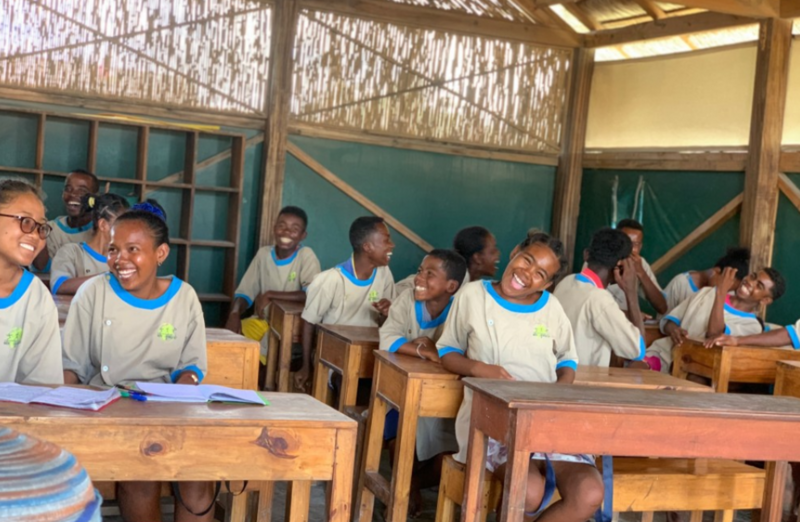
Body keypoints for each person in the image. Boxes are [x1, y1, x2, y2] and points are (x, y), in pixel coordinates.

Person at [61, 202, 214, 522]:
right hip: (107, 406)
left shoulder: (183, 296)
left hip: (169, 406)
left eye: (133, 249)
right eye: (114, 249)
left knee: (199, 470)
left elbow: (193, 366)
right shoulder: (92, 293)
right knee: (139, 472)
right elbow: (71, 365)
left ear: (161, 254)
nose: (120, 260)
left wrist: (181, 396)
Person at [438, 233, 602, 520]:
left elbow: (568, 359)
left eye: (540, 273)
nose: (527, 275)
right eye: (527, 260)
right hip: (492, 421)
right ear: (515, 252)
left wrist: (559, 391)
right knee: (530, 490)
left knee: (589, 492)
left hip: (545, 417)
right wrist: (480, 369)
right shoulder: (473, 295)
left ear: (548, 283)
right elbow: (447, 351)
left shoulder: (550, 307)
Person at [379, 249, 466, 516]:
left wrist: (437, 348)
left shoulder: (461, 309)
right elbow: (387, 337)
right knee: (400, 428)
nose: (420, 278)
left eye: (430, 274)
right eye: (420, 271)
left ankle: (411, 483)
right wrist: (425, 352)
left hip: (446, 394)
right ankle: (405, 487)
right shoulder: (407, 299)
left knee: (454, 452)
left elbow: (465, 349)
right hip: (405, 389)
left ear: (451, 286)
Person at [295, 216, 396, 391]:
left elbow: (386, 325)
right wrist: (306, 365)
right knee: (348, 382)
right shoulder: (329, 280)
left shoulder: (384, 274)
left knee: (389, 386)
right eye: (386, 240)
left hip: (370, 355)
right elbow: (309, 322)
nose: (392, 245)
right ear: (367, 247)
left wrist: (386, 313)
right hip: (334, 357)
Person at [225, 206, 321, 365]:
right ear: (274, 228)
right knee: (231, 339)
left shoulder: (306, 256)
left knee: (257, 360)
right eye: (282, 226)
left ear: (303, 235)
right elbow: (245, 292)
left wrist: (270, 294)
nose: (286, 232)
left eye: (294, 229)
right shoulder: (264, 254)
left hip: (290, 329)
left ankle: (259, 386)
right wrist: (234, 314)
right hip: (263, 322)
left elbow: (311, 294)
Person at [644, 267, 785, 373]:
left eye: (759, 286)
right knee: (637, 372)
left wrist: (721, 292)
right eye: (753, 276)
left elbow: (714, 334)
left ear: (765, 300)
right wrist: (674, 330)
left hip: (695, 369)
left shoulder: (752, 326)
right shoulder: (706, 293)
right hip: (665, 353)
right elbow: (670, 321)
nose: (750, 282)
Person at [554, 228, 646, 367]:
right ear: (621, 266)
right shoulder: (600, 299)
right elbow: (637, 350)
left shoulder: (566, 282)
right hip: (583, 383)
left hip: (557, 376)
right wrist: (631, 292)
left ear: (586, 255)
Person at [0, 179, 62, 384]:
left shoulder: (37, 297)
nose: (36, 235)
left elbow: (42, 385)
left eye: (41, 227)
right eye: (25, 221)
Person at [50, 192, 130, 295]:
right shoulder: (71, 253)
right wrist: (108, 279)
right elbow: (60, 286)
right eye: (123, 226)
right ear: (103, 225)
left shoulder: (124, 259)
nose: (129, 232)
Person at [33, 169, 100, 271]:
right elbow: (44, 269)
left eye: (82, 191)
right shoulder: (50, 229)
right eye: (68, 189)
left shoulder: (102, 230)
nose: (73, 194)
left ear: (95, 197)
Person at [606, 219, 667, 315]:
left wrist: (641, 273)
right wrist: (630, 315)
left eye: (635, 244)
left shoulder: (640, 264)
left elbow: (662, 307)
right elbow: (592, 306)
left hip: (624, 327)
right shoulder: (599, 260)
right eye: (625, 242)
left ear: (640, 247)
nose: (629, 248)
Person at [662, 247, 750, 313]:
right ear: (716, 271)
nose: (725, 290)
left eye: (729, 289)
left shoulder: (729, 294)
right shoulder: (681, 283)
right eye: (724, 284)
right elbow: (663, 319)